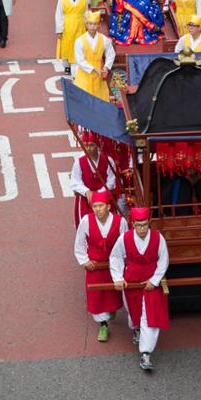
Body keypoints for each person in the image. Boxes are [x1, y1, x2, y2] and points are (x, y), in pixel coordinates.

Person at [109, 206, 170, 372]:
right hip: (131, 282)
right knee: (134, 312)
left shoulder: (158, 238)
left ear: (149, 222)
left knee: (150, 317)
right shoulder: (125, 238)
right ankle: (136, 328)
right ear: (133, 224)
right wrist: (118, 278)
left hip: (151, 282)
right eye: (138, 225)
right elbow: (115, 257)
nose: (142, 228)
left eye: (144, 225)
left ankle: (146, 353)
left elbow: (163, 260)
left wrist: (155, 280)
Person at [75, 191, 127, 341]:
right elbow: (79, 243)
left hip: (113, 265)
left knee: (113, 294)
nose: (97, 209)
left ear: (108, 207)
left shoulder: (120, 222)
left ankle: (111, 311)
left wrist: (123, 262)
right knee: (96, 295)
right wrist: (84, 261)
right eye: (95, 206)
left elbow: (124, 243)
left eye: (100, 206)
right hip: (95, 265)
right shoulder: (86, 220)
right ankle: (102, 325)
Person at [70, 133, 117, 227]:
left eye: (91, 145)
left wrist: (100, 193)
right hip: (86, 200)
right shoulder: (79, 162)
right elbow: (75, 182)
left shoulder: (108, 160)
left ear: (97, 145)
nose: (88, 148)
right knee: (86, 227)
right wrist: (87, 192)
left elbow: (112, 181)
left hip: (104, 198)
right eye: (85, 145)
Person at [74, 11, 116, 101]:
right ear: (86, 24)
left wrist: (106, 67)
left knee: (99, 98)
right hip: (84, 73)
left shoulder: (104, 40)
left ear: (98, 25)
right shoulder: (79, 41)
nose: (92, 26)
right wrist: (94, 69)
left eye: (95, 24)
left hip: (99, 72)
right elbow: (80, 60)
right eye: (90, 24)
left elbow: (111, 53)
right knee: (83, 99)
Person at [56, 0, 88, 75]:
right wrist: (59, 30)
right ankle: (67, 66)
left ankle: (79, 63)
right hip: (67, 25)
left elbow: (86, 12)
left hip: (80, 24)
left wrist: (88, 26)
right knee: (67, 45)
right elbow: (59, 14)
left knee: (80, 44)